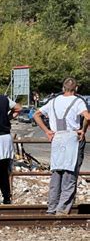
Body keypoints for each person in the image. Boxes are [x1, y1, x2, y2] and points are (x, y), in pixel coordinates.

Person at [33, 78, 90, 215]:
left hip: (57, 137)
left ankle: (51, 208)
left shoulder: (53, 101)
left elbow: (36, 114)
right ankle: (62, 209)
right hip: (71, 138)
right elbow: (87, 117)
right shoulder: (78, 101)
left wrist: (47, 131)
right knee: (69, 174)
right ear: (76, 89)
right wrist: (83, 130)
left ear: (63, 88)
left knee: (56, 174)